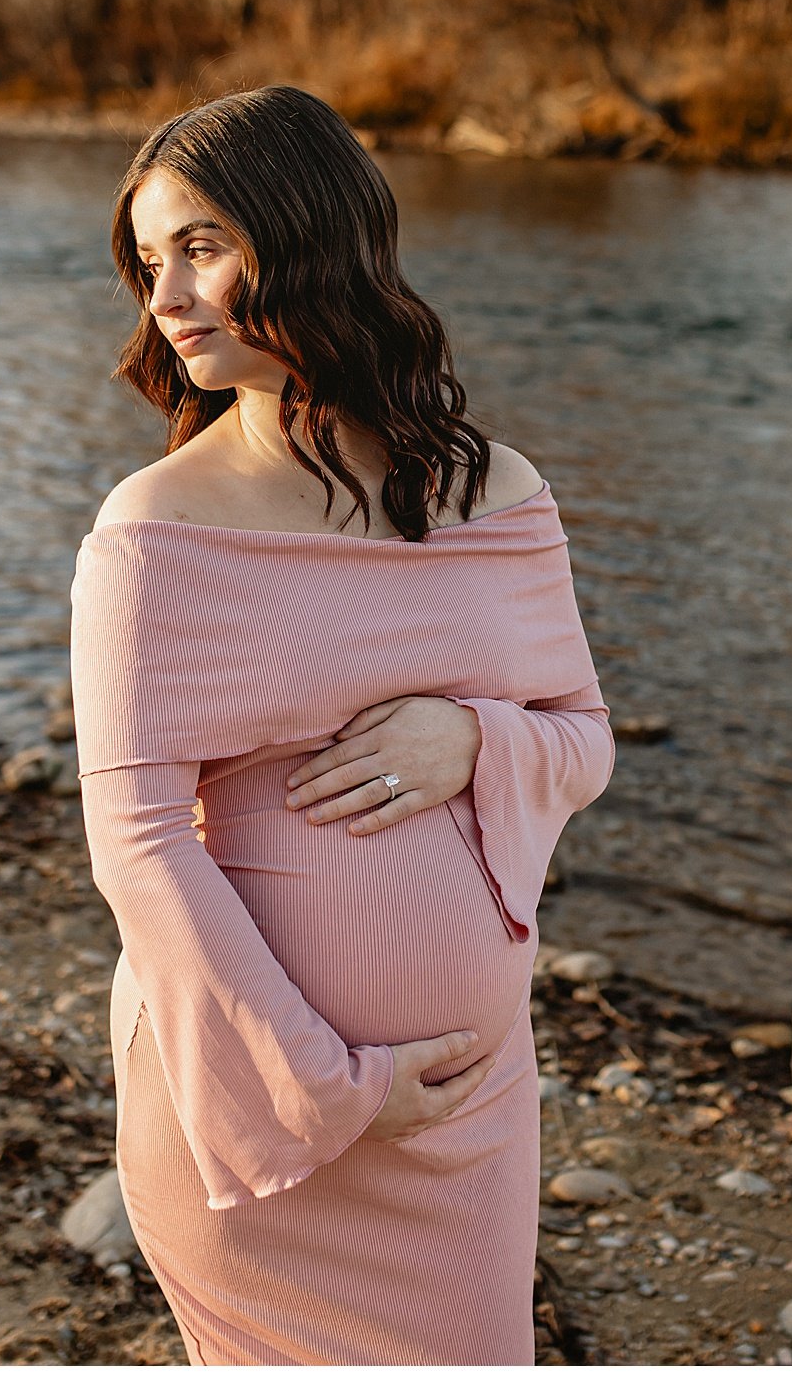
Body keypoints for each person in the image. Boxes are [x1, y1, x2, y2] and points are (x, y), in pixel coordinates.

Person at [67, 84, 618, 1364]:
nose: (168, 297)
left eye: (201, 248)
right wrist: (331, 1087)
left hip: (468, 1112)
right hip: (265, 1108)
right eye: (151, 264)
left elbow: (583, 738)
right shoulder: (155, 532)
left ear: (312, 232)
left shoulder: (499, 491)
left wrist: (474, 738)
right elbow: (138, 848)